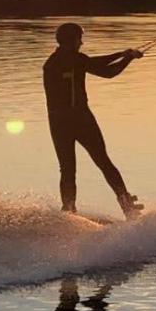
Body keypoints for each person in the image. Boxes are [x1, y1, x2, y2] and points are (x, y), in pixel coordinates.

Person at [43, 22, 143, 218]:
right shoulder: (67, 62)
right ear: (71, 41)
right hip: (76, 120)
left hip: (61, 122)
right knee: (99, 162)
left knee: (70, 168)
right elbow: (107, 71)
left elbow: (93, 62)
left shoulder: (60, 61)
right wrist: (128, 58)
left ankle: (70, 211)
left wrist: (124, 54)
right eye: (79, 39)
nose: (81, 42)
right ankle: (124, 206)